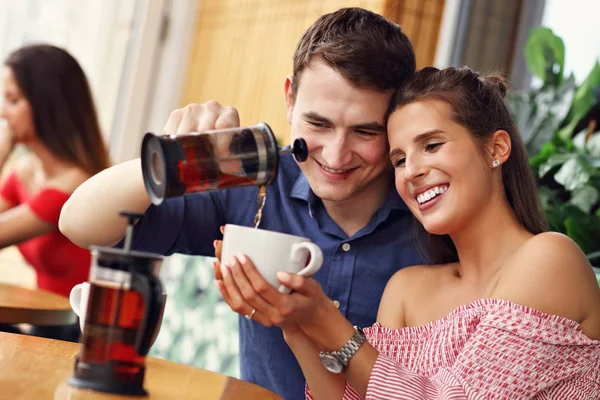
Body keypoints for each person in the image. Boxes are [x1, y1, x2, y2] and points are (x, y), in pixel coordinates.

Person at [59, 7, 421, 399]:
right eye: (318, 124)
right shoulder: (255, 180)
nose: (335, 155)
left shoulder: (430, 217)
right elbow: (79, 225)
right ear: (290, 98)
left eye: (365, 132)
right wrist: (169, 158)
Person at [215, 66, 600, 399]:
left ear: (496, 148)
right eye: (399, 159)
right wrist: (295, 324)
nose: (411, 170)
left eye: (431, 145)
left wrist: (330, 326)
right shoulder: (407, 289)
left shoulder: (550, 260)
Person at [0, 44, 111, 341]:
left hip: (82, 332)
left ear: (44, 105)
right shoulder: (26, 172)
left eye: (12, 100)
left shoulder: (73, 185)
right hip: (47, 322)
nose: (2, 112)